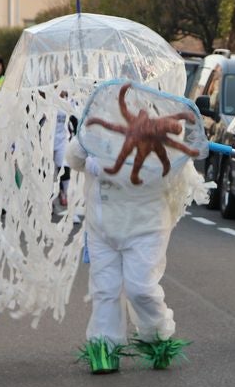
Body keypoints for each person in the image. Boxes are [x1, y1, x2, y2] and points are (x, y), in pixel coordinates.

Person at [65, 130, 189, 373]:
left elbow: (176, 167)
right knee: (105, 289)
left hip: (146, 227)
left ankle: (157, 336)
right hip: (102, 229)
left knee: (140, 288)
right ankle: (105, 348)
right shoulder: (96, 124)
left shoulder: (158, 126)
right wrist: (84, 139)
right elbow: (74, 159)